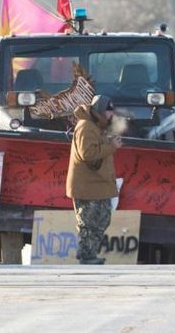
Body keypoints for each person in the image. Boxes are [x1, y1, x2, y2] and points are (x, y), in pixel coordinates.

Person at [66, 95, 122, 265]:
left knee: (102, 219)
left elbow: (97, 148)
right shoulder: (86, 127)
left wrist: (108, 142)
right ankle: (86, 255)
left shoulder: (97, 127)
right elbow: (88, 154)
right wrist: (112, 146)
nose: (111, 115)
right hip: (87, 186)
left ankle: (89, 253)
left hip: (98, 185)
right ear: (99, 112)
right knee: (88, 222)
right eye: (108, 111)